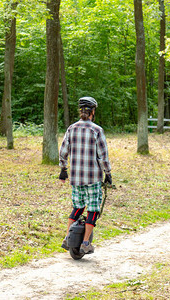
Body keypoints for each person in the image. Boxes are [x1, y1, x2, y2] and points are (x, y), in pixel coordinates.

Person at [58, 96, 112, 254]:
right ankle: (86, 243)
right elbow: (103, 156)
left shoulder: (71, 128)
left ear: (80, 111)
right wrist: (108, 173)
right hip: (92, 178)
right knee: (93, 210)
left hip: (76, 177)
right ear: (92, 112)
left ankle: (67, 238)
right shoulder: (97, 130)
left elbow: (63, 151)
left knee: (77, 207)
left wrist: (63, 169)